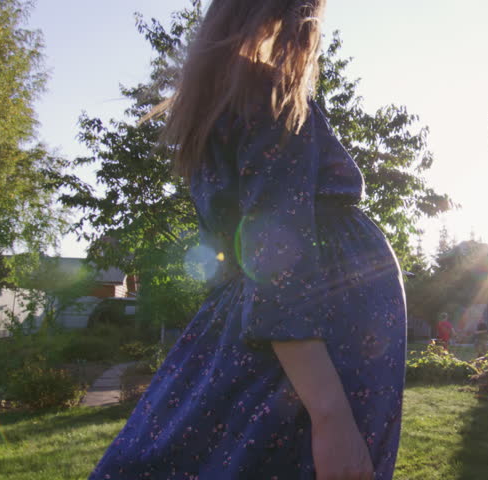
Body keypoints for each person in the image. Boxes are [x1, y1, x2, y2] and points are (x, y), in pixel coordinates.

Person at [88, 1, 407, 479]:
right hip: (312, 354)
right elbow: (274, 261)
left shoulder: (222, 100)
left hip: (280, 335)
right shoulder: (267, 95)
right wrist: (330, 417)